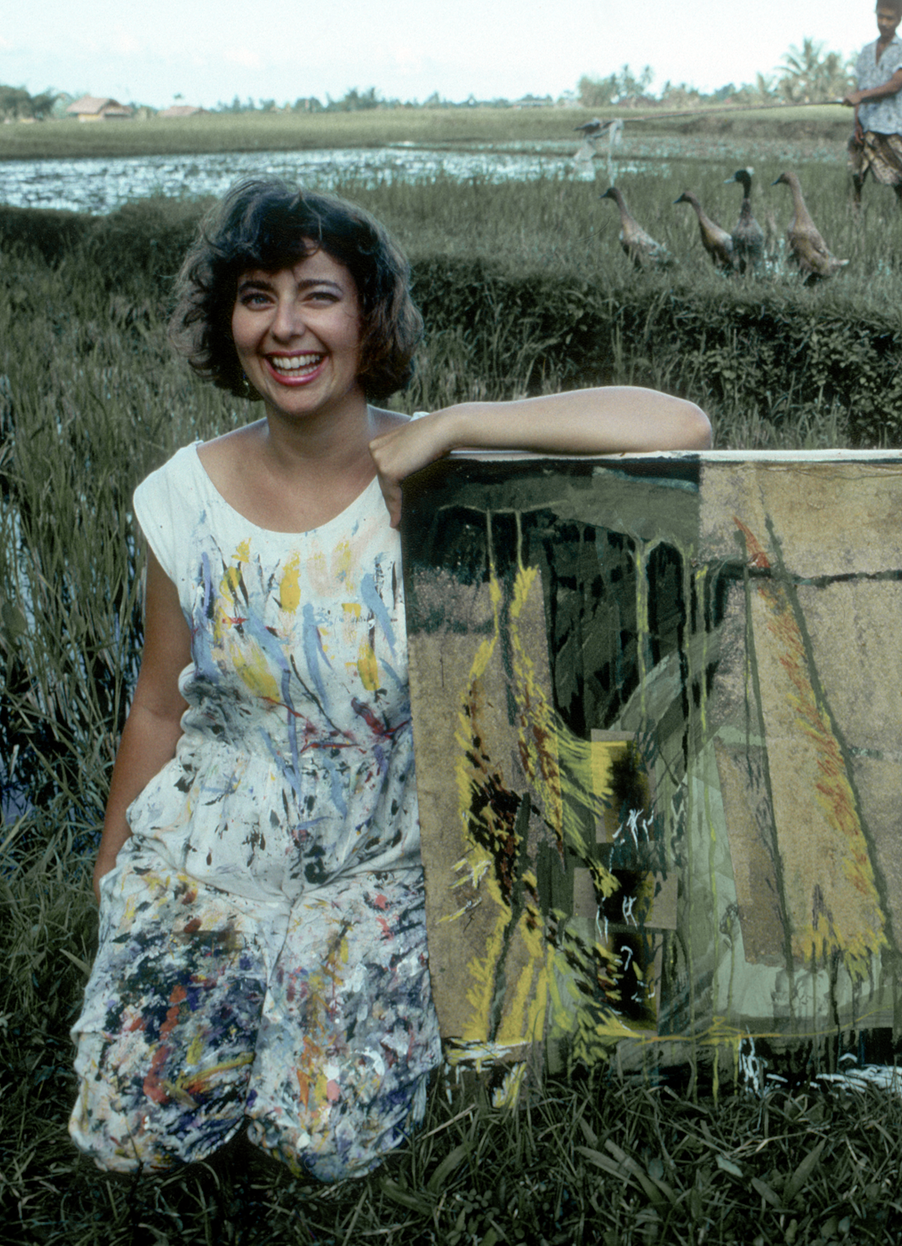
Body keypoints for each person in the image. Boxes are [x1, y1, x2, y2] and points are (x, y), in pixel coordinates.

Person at [68, 177, 711, 1181]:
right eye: (255, 296)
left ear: (367, 315)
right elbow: (159, 700)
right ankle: (223, 982)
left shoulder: (441, 474)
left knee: (319, 1143)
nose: (285, 327)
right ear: (228, 323)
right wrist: (111, 878)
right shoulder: (182, 496)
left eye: (316, 294)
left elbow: (680, 422)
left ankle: (317, 1010)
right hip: (214, 852)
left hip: (378, 862)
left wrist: (452, 424)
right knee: (127, 1137)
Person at [841, 0, 902, 214]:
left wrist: (861, 97)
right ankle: (855, 220)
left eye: (890, 18)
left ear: (899, 20)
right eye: (880, 16)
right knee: (856, 178)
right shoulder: (865, 52)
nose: (884, 23)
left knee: (898, 180)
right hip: (865, 125)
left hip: (890, 128)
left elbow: (895, 85)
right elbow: (859, 89)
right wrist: (856, 123)